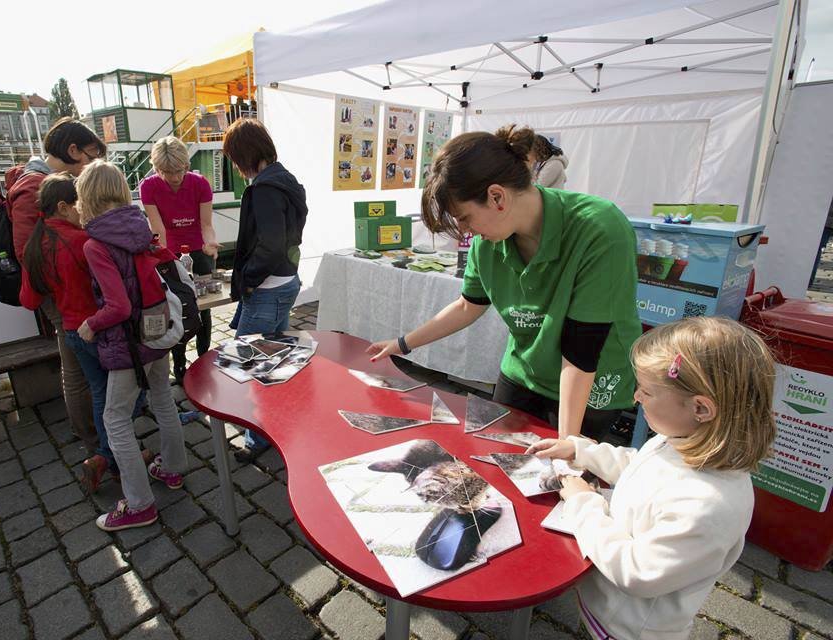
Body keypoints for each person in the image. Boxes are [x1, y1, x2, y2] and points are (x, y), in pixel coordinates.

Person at [368, 126, 640, 441]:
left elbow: (582, 351)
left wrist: (568, 447)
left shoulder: (599, 228)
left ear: (497, 197)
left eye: (465, 218)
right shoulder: (488, 245)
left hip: (589, 382)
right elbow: (468, 305)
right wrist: (403, 344)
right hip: (524, 372)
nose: (465, 231)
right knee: (496, 457)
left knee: (561, 479)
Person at [526, 316, 777, 640]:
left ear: (701, 408)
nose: (635, 398)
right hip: (605, 605)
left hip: (626, 630)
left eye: (646, 391)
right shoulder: (679, 437)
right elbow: (640, 466)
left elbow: (637, 572)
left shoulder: (709, 507)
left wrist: (583, 502)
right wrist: (579, 450)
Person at [19, 174, 150, 493]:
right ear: (63, 207)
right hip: (102, 330)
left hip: (71, 331)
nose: (83, 210)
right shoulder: (82, 242)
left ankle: (106, 457)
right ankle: (115, 457)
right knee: (128, 395)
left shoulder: (34, 246)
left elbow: (28, 300)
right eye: (78, 204)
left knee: (99, 392)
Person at [76, 161, 187, 531]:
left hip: (127, 345)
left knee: (115, 419)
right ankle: (172, 469)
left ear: (86, 197)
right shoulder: (140, 226)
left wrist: (91, 325)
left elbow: (118, 306)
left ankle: (139, 505)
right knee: (163, 398)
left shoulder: (96, 244)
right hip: (157, 334)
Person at [6, 117, 107, 454]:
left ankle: (102, 425)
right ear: (72, 150)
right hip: (61, 294)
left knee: (83, 363)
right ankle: (91, 436)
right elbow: (26, 254)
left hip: (68, 288)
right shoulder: (33, 187)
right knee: (76, 366)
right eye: (90, 157)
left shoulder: (50, 183)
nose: (91, 166)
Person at [221, 118, 308, 463]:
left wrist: (249, 279)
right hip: (285, 282)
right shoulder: (284, 179)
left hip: (269, 287)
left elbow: (271, 246)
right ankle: (271, 426)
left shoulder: (265, 189)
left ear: (243, 155)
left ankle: (257, 436)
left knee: (252, 365)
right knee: (270, 359)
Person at [139, 136, 219, 381]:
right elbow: (158, 229)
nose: (175, 177)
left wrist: (209, 242)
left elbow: (206, 223)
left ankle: (205, 358)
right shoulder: (149, 187)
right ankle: (180, 362)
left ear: (186, 165)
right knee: (176, 308)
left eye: (179, 170)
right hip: (169, 251)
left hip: (198, 248)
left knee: (203, 307)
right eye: (168, 172)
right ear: (156, 168)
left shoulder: (200, 183)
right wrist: (163, 257)